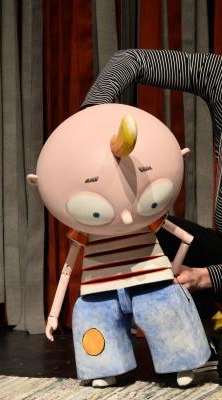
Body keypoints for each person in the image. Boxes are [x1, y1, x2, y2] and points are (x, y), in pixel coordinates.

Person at [81, 48, 222, 368]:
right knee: (151, 231)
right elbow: (130, 60)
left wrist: (206, 277)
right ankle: (212, 329)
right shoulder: (218, 75)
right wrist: (91, 117)